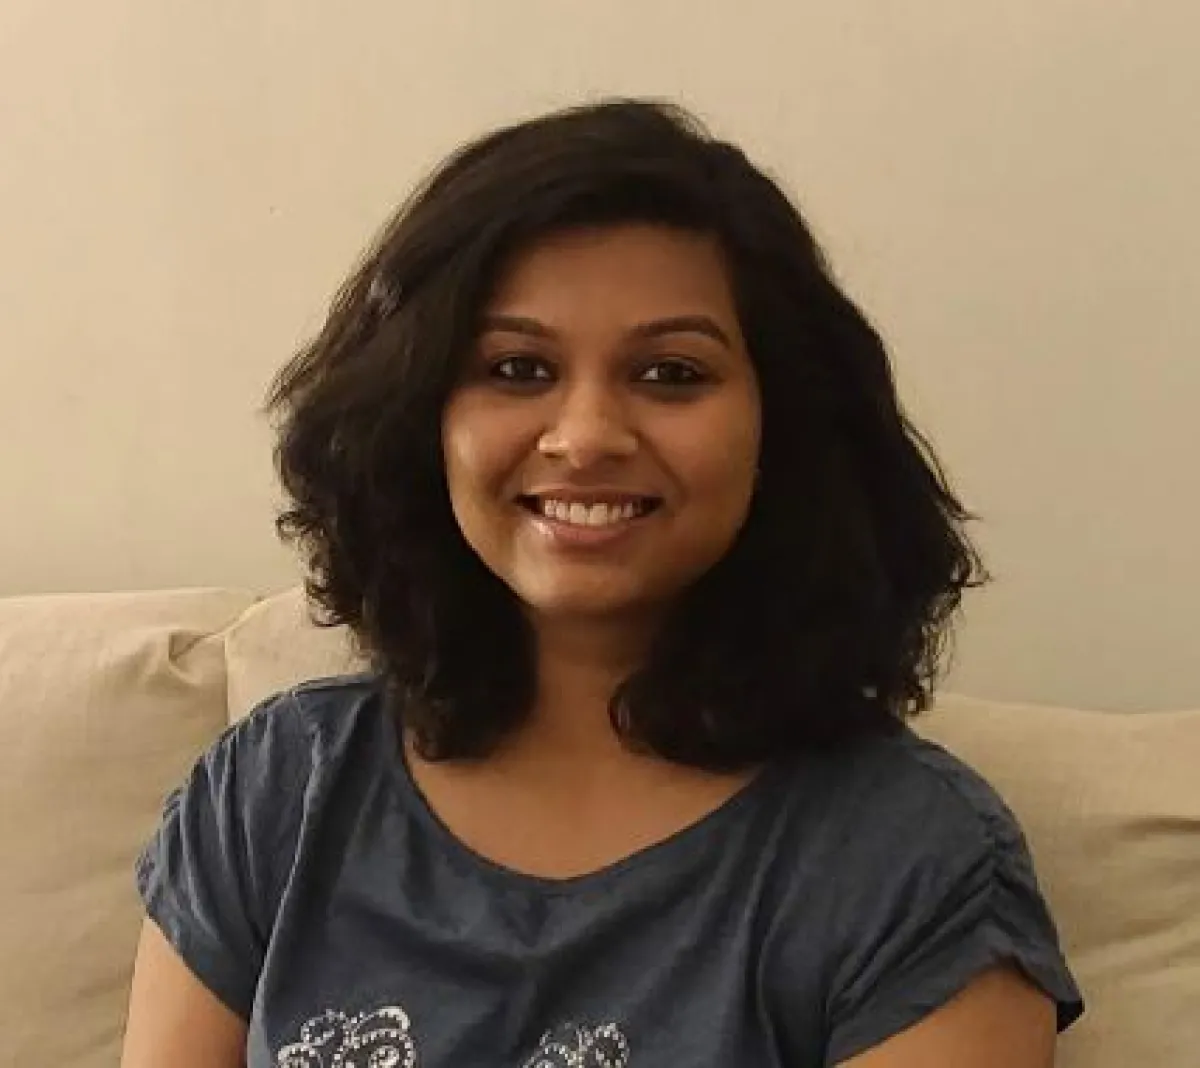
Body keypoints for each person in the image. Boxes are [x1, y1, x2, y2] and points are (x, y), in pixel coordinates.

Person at [121, 99, 1084, 1067]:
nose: (583, 436)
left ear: (782, 425)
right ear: (421, 416)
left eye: (670, 373)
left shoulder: (905, 864)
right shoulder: (278, 793)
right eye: (517, 367)